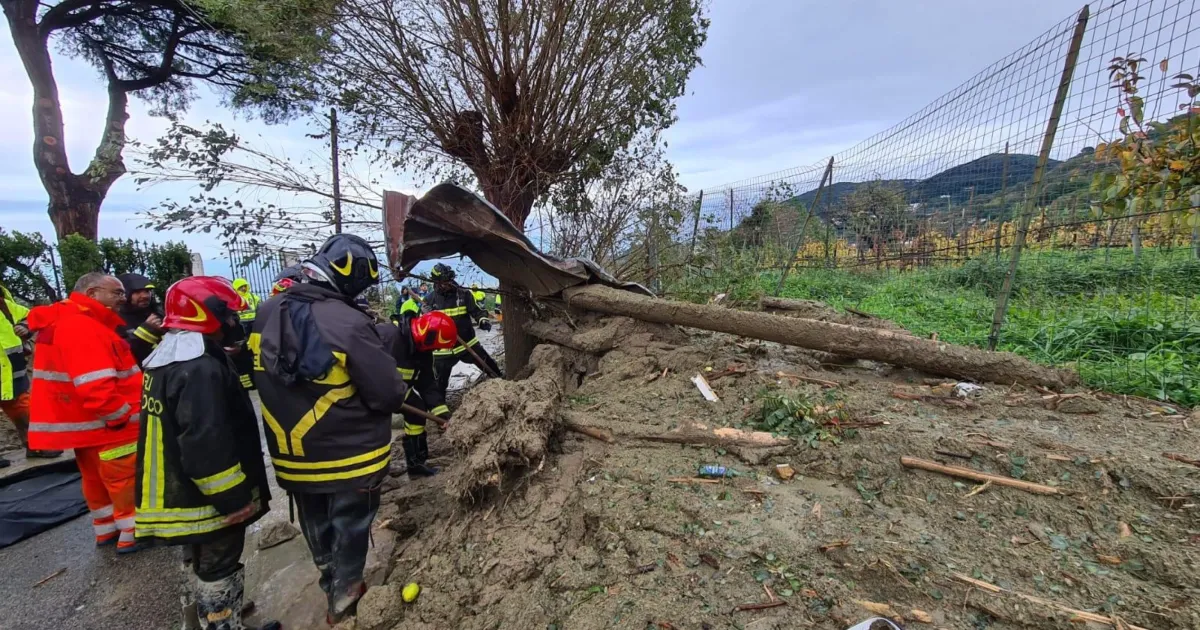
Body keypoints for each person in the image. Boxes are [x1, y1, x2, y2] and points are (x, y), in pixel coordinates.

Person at [250, 234, 408, 624]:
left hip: (293, 457)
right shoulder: (348, 322)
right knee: (351, 525)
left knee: (315, 522)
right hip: (352, 455)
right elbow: (389, 393)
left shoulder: (266, 312)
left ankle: (328, 581)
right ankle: (346, 594)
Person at [136, 277, 279, 630]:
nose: (233, 321)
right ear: (206, 314)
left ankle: (200, 618)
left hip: (180, 492)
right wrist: (232, 500)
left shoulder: (170, 357)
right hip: (206, 498)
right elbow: (206, 441)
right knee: (219, 565)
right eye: (228, 314)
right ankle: (221, 621)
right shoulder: (199, 368)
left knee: (197, 559)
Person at [26, 272, 142, 552]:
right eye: (116, 292)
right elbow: (95, 383)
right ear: (92, 293)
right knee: (124, 479)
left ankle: (107, 529)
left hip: (89, 426)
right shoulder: (82, 325)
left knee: (96, 480)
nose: (122, 298)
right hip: (111, 426)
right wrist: (119, 416)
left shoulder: (66, 321)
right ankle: (134, 532)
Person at [377, 311, 457, 476]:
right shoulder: (386, 336)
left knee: (417, 410)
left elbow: (427, 384)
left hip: (398, 392)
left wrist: (442, 415)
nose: (436, 350)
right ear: (428, 336)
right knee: (375, 427)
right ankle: (374, 473)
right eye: (436, 346)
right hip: (369, 390)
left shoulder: (423, 352)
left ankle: (416, 464)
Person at [0, 282, 61, 462]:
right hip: (10, 369)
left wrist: (25, 327)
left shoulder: (5, 305)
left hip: (13, 371)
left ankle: (36, 445)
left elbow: (31, 316)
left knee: (23, 408)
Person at [427, 263, 503, 398]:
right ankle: (439, 407)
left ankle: (504, 386)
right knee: (439, 385)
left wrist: (482, 320)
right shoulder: (429, 300)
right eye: (445, 281)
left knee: (490, 366)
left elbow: (477, 311)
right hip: (443, 351)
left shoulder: (463, 294)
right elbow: (424, 327)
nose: (448, 284)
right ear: (437, 282)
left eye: (450, 280)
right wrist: (426, 316)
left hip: (467, 344)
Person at [117, 272, 165, 365]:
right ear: (125, 294)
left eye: (147, 291)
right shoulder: (116, 320)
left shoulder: (159, 313)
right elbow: (122, 353)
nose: (145, 296)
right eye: (137, 292)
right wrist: (147, 330)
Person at [229, 279, 260, 392]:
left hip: (253, 325)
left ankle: (252, 382)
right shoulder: (233, 299)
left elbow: (259, 308)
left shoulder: (253, 297)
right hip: (241, 328)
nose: (243, 288)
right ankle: (247, 384)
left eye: (244, 286)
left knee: (251, 353)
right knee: (243, 360)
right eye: (240, 286)